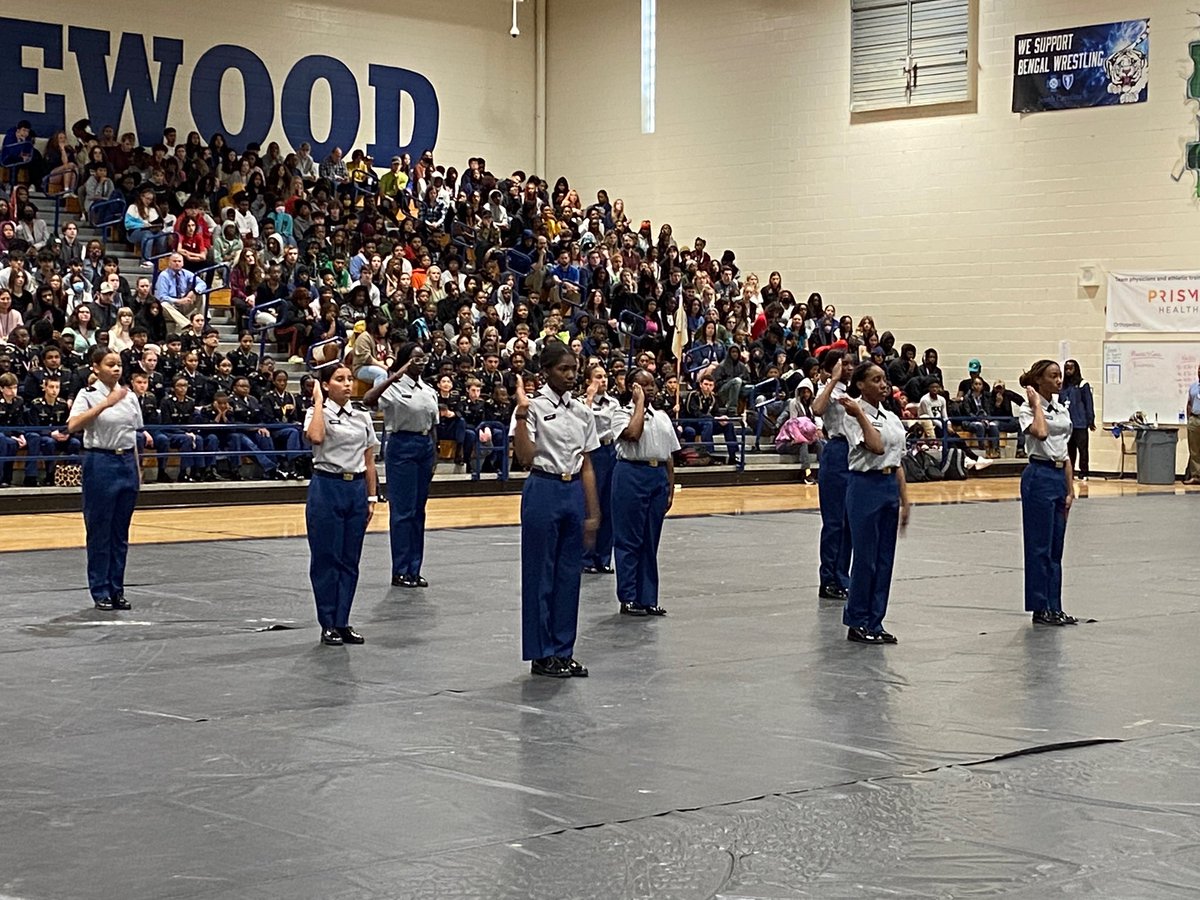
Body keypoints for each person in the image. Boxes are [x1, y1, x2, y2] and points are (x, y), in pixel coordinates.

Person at [511, 341, 601, 678]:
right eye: (563, 369)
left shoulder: (581, 411)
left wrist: (593, 512)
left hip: (572, 489)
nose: (570, 375)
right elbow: (524, 456)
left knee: (568, 576)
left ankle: (563, 650)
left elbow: (588, 461)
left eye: (574, 369)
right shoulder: (532, 407)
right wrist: (521, 414)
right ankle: (541, 652)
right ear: (546, 371)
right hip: (543, 487)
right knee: (540, 574)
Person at [303, 362, 380, 646]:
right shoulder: (316, 414)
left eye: (349, 379)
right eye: (339, 379)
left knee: (350, 559)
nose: (347, 384)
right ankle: (327, 622)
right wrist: (319, 402)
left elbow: (369, 460)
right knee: (326, 558)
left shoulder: (362, 417)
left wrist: (371, 497)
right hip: (327, 485)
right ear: (325, 385)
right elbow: (316, 437)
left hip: (356, 488)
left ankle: (343, 619)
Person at [66, 347, 144, 611]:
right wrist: (105, 404)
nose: (116, 368)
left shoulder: (130, 396)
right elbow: (73, 425)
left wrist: (137, 470)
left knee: (120, 533)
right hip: (100, 461)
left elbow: (133, 434)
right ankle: (100, 590)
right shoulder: (87, 395)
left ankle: (117, 589)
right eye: (110, 364)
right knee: (100, 530)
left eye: (119, 364)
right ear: (95, 367)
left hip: (126, 463)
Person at [838, 361, 910, 644]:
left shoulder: (891, 417)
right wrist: (859, 413)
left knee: (884, 559)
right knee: (866, 559)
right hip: (865, 486)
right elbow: (876, 446)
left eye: (885, 379)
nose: (884, 385)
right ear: (860, 385)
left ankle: (875, 621)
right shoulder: (852, 414)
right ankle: (857, 621)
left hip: (889, 485)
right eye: (876, 380)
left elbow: (897, 459)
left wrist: (905, 500)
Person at [364, 342, 439, 588]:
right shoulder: (392, 387)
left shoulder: (429, 390)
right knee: (403, 512)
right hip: (402, 445)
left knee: (419, 511)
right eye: (415, 358)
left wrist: (434, 456)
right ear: (405, 360)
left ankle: (414, 569)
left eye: (423, 358)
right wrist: (395, 374)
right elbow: (368, 400)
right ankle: (400, 570)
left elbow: (433, 424)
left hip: (424, 445)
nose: (420, 362)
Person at [611, 369, 679, 617]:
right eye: (644, 384)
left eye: (653, 384)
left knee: (650, 541)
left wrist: (670, 489)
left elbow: (669, 455)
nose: (651, 388)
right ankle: (628, 597)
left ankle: (648, 597)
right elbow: (632, 434)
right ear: (632, 387)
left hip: (656, 476)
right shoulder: (621, 413)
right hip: (631, 473)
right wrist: (638, 403)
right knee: (629, 539)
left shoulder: (662, 417)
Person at [1018, 359, 1078, 626]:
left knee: (1056, 548)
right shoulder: (1027, 409)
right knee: (1039, 546)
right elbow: (1041, 433)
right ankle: (1040, 607)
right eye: (1053, 376)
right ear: (1039, 380)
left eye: (1059, 376)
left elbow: (1064, 450)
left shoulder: (1060, 409)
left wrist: (1070, 487)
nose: (1058, 380)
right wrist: (1035, 405)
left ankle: (1055, 606)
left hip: (1057, 476)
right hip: (1038, 475)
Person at [811, 350, 852, 601]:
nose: (848, 368)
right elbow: (817, 409)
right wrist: (832, 380)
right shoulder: (828, 390)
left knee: (849, 522)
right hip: (837, 451)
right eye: (843, 364)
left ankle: (842, 576)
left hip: (855, 453)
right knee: (834, 521)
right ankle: (828, 579)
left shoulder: (854, 393)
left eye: (850, 364)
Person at [581, 363, 618, 574]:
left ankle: (603, 557)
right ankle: (586, 558)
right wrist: (589, 398)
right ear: (588, 381)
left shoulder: (613, 403)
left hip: (609, 450)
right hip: (591, 454)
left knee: (608, 506)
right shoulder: (579, 403)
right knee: (590, 504)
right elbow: (584, 421)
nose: (603, 380)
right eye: (597, 377)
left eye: (605, 376)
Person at [1060, 359, 1095, 482]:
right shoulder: (1063, 387)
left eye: (1071, 368)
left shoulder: (1082, 385)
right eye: (1066, 369)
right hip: (1067, 425)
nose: (1068, 371)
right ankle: (1070, 472)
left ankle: (1084, 472)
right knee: (1069, 450)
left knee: (1083, 449)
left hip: (1080, 423)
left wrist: (1090, 420)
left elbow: (1088, 403)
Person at [1186, 364, 1200, 485]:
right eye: (1199, 369)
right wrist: (1189, 419)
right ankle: (1196, 476)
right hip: (1195, 420)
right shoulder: (1193, 387)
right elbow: (1189, 403)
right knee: (1194, 450)